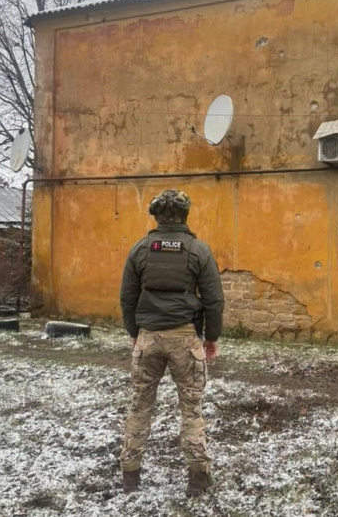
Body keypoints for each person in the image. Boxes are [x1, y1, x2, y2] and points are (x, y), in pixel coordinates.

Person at [119, 189, 224, 498]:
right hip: (184, 339)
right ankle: (197, 480)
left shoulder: (140, 249)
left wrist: (134, 333)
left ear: (156, 217)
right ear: (185, 216)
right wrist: (212, 337)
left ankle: (130, 477)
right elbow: (214, 299)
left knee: (140, 407)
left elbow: (127, 297)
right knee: (191, 411)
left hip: (148, 338)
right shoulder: (198, 250)